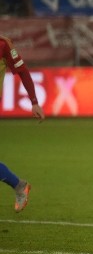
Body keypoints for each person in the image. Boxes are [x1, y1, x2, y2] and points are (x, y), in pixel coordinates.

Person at [1, 34, 45, 212]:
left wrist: (34, 101)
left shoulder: (3, 45)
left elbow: (22, 70)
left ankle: (18, 185)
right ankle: (18, 185)